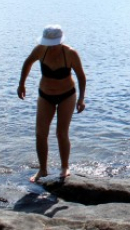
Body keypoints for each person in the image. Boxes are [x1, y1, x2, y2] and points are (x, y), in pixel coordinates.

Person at [17, 25, 86, 182]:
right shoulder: (41, 50)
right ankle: (42, 169)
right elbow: (27, 63)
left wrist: (81, 99)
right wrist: (21, 84)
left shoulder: (70, 53)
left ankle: (65, 166)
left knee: (61, 133)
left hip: (67, 95)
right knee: (40, 133)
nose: (50, 45)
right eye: (48, 42)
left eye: (53, 42)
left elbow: (81, 76)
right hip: (45, 95)